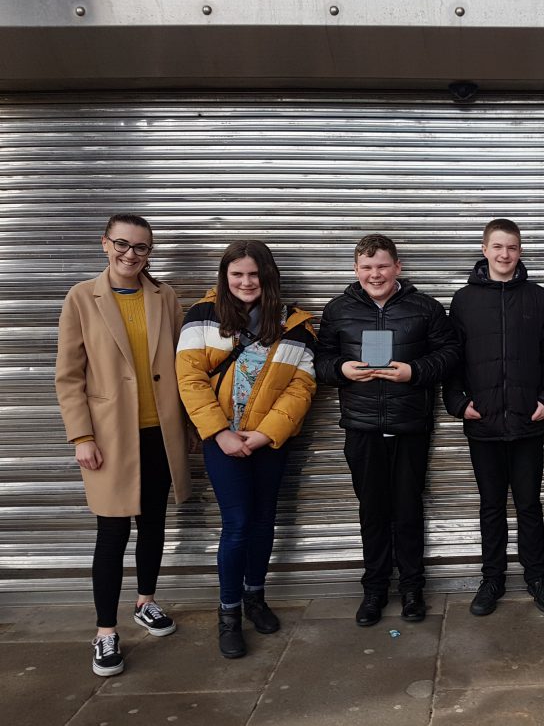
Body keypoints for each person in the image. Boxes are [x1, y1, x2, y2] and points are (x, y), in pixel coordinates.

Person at [55, 214, 192, 677]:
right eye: (123, 244)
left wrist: (189, 429)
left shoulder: (165, 296)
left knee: (153, 523)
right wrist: (81, 436)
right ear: (105, 244)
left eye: (141, 248)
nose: (131, 255)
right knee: (112, 534)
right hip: (110, 437)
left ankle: (145, 601)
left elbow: (181, 362)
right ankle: (105, 632)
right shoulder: (82, 297)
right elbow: (69, 376)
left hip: (159, 432)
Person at [176, 240, 316, 659]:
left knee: (263, 523)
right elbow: (190, 379)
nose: (245, 282)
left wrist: (265, 434)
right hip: (221, 441)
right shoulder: (202, 316)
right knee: (237, 525)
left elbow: (302, 386)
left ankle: (256, 596)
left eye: (254, 274)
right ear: (225, 277)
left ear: (268, 276)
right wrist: (220, 433)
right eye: (237, 274)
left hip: (268, 442)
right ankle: (229, 613)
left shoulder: (295, 324)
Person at [314, 234, 459, 628]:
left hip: (409, 424)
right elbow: (320, 360)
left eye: (382, 266)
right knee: (372, 512)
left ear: (398, 267)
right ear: (356, 269)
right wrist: (340, 369)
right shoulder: (339, 309)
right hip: (361, 426)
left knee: (408, 509)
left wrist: (415, 372)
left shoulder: (424, 307)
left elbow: (449, 354)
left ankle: (413, 588)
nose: (374, 274)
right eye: (366, 267)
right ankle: (375, 588)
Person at [444, 218, 544, 617]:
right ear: (484, 250)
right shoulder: (463, 300)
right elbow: (452, 359)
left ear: (520, 252)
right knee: (491, 505)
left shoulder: (538, 298)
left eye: (511, 247)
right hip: (484, 423)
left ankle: (537, 577)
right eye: (497, 247)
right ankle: (491, 578)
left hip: (529, 421)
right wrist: (459, 403)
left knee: (529, 504)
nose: (504, 254)